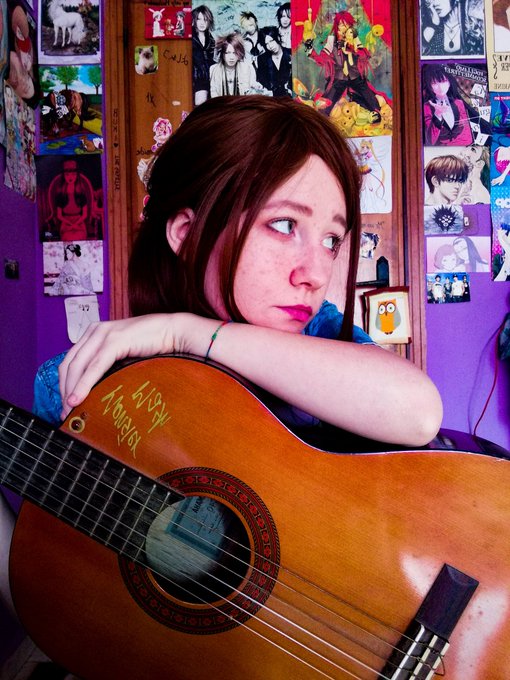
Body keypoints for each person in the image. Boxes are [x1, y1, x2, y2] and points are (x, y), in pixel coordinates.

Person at [0, 96, 442, 671]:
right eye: (284, 225)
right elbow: (66, 604)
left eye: (332, 239)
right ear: (186, 233)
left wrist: (189, 332)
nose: (315, 273)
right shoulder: (86, 388)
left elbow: (417, 411)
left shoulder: (323, 340)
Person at [304, 11, 386, 121]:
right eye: (341, 25)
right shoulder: (332, 40)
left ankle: (374, 115)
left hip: (356, 77)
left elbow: (364, 56)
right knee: (325, 106)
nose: (344, 28)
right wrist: (310, 50)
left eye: (347, 24)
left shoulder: (354, 38)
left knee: (372, 102)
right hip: (339, 78)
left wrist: (352, 46)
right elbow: (323, 58)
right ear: (337, 26)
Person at [422, 64, 473, 146]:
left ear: (449, 82)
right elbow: (430, 140)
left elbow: (467, 133)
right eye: (434, 83)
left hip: (463, 148)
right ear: (430, 86)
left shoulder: (458, 103)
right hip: (440, 150)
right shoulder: (427, 107)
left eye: (443, 81)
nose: (440, 87)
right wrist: (437, 115)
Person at [209, 33, 260, 97]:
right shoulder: (214, 69)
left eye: (235, 53)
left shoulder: (248, 68)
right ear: (223, 53)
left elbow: (252, 87)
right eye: (228, 53)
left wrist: (256, 87)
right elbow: (213, 94)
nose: (231, 57)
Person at [191, 5, 216, 106]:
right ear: (194, 20)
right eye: (199, 19)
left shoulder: (211, 39)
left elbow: (210, 58)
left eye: (205, 20)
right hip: (195, 76)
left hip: (208, 76)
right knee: (200, 104)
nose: (202, 23)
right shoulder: (189, 37)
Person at [257, 27, 292, 97]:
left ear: (278, 38)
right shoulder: (262, 59)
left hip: (291, 98)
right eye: (266, 44)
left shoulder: (291, 53)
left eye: (271, 41)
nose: (270, 46)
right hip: (272, 99)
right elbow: (263, 80)